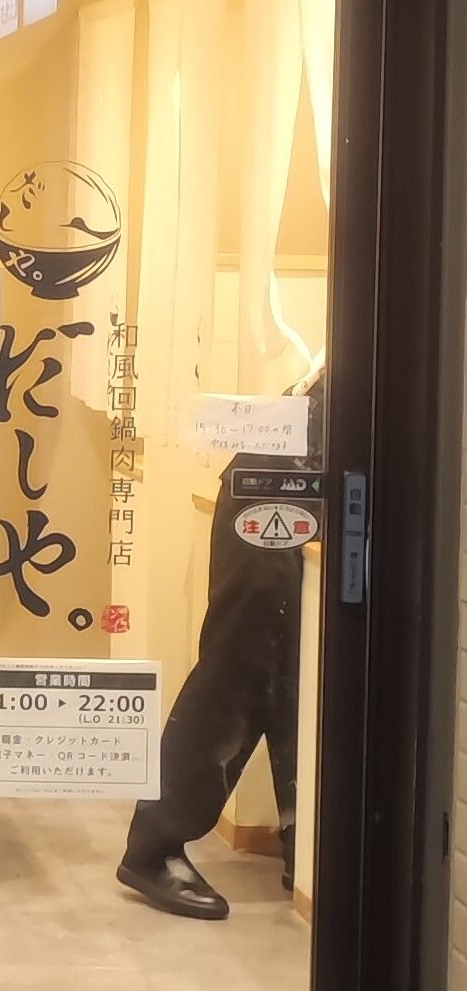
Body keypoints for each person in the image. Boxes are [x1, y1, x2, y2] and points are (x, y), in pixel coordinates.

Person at [115, 378, 321, 919]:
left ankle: (305, 844)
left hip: (301, 464)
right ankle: (154, 843)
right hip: (279, 477)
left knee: (298, 670)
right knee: (243, 668)